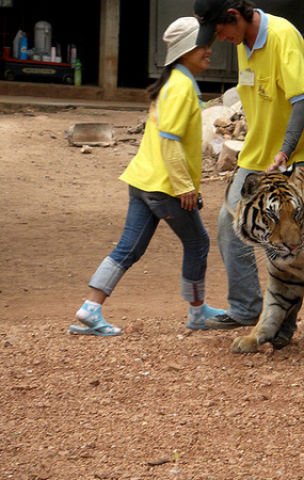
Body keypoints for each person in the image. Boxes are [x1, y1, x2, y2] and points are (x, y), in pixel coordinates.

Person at [69, 17, 223, 336]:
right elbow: (170, 143)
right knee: (198, 242)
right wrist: (184, 187)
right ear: (184, 51)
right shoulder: (181, 87)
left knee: (129, 247)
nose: (209, 49)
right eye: (203, 45)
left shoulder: (172, 83)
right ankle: (197, 313)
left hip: (143, 180)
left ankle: (90, 308)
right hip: (165, 185)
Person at [192, 0, 304, 342]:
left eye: (221, 30)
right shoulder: (243, 44)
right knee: (229, 222)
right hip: (259, 153)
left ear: (235, 17)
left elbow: (302, 101)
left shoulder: (283, 36)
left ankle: (283, 324)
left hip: (302, 151)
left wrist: (286, 151)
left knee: (289, 235)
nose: (220, 38)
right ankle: (247, 309)